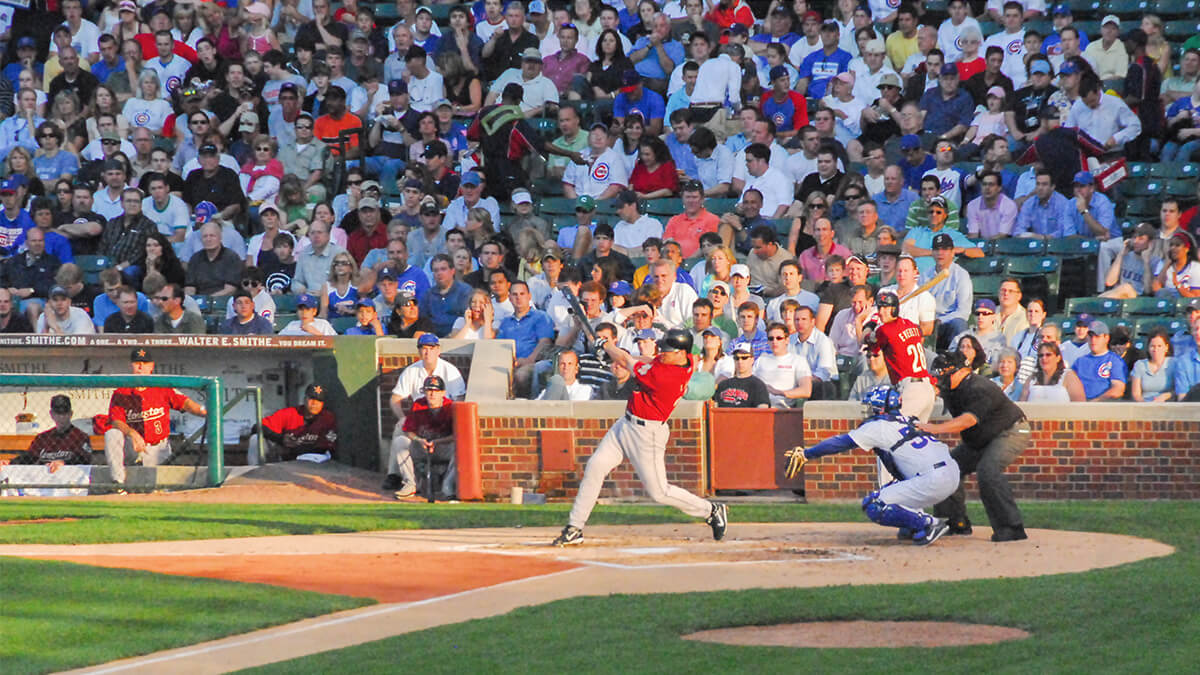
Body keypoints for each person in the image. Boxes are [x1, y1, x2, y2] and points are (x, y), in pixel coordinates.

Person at [552, 328, 728, 546]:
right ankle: (575, 527)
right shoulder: (686, 360)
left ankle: (711, 510)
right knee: (595, 467)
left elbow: (627, 360)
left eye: (668, 350)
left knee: (659, 492)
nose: (662, 353)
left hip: (648, 434)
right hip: (625, 424)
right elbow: (647, 359)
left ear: (682, 352)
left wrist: (606, 346)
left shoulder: (665, 377)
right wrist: (609, 349)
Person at [787, 386, 958, 545]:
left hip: (933, 479)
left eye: (872, 406)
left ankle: (929, 523)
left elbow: (841, 442)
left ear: (881, 408)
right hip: (950, 473)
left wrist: (807, 454)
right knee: (894, 490)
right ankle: (915, 524)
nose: (868, 410)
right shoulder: (909, 420)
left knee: (874, 504)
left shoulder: (879, 426)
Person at [924, 350, 1031, 542]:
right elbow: (930, 392)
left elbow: (968, 420)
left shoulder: (979, 387)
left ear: (961, 371)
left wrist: (935, 429)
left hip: (1010, 431)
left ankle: (1011, 527)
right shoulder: (951, 387)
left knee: (988, 471)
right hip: (981, 438)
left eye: (945, 375)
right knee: (946, 466)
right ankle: (954, 521)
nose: (941, 380)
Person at [103, 348, 207, 490]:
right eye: (137, 363)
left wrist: (205, 412)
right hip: (133, 447)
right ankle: (118, 483)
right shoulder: (122, 392)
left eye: (145, 363)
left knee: (160, 492)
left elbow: (185, 403)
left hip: (158, 449)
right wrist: (132, 433)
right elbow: (116, 421)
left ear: (151, 366)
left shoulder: (161, 387)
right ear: (131, 365)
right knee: (112, 433)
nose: (140, 367)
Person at [862, 290, 935, 422]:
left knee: (899, 431)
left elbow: (864, 338)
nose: (881, 311)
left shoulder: (885, 330)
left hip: (911, 389)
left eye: (886, 307)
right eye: (880, 307)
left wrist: (871, 322)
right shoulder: (911, 325)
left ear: (894, 309)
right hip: (926, 388)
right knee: (917, 436)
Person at [0, 395, 92, 473]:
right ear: (51, 414)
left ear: (71, 414)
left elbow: (85, 460)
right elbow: (29, 457)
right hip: (43, 479)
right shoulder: (43, 438)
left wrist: (64, 463)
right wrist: (10, 462)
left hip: (69, 480)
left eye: (65, 413)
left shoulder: (80, 437)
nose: (61, 417)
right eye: (58, 413)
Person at [250, 384, 338, 464]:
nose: (314, 404)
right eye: (311, 399)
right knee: (255, 439)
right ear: (304, 399)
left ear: (323, 404)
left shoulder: (327, 418)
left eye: (318, 401)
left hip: (314, 463)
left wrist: (294, 449)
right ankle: (255, 472)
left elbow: (327, 447)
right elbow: (257, 427)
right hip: (286, 461)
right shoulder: (290, 413)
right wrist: (281, 439)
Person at [1071, 320, 1127, 401]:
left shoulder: (1115, 361)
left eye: (1097, 336)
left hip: (1104, 407)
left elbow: (1118, 390)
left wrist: (1095, 401)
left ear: (1106, 338)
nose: (1093, 340)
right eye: (1090, 336)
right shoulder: (1080, 362)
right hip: (1080, 405)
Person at [1021, 341, 1086, 402]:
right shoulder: (1031, 379)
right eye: (1041, 355)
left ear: (1058, 358)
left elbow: (1080, 405)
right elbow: (1022, 404)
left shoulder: (1068, 376)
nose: (1044, 358)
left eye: (1048, 355)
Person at [712, 342, 769, 408]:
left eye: (744, 358)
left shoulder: (758, 386)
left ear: (752, 360)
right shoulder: (723, 385)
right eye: (736, 358)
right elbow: (714, 409)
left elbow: (763, 413)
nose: (740, 361)